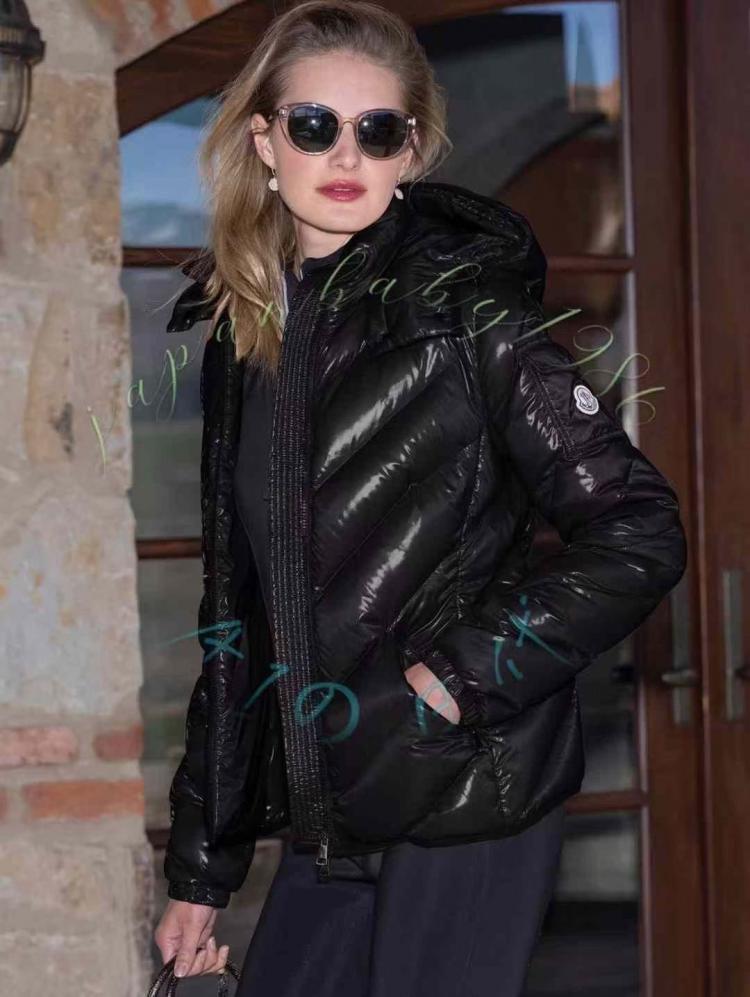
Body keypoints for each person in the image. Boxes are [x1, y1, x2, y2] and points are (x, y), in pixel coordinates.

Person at [153, 2, 688, 994]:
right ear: (265, 141)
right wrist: (201, 869)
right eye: (315, 124)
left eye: (378, 130)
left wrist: (450, 682)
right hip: (331, 811)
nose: (344, 153)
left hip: (466, 791)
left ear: (410, 152)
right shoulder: (242, 340)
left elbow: (638, 530)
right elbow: (237, 621)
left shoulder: (470, 309)